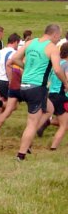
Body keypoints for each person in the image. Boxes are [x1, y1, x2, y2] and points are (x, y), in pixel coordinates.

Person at [12, 24, 68, 161]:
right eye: (58, 37)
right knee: (32, 123)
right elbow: (57, 69)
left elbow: (15, 59)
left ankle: (28, 141)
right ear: (54, 34)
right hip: (37, 88)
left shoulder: (30, 43)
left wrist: (27, 68)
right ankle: (21, 154)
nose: (58, 39)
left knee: (50, 109)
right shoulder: (52, 48)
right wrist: (66, 83)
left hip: (24, 86)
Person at [0, 33, 21, 118]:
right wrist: (11, 80)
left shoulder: (0, 51)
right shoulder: (14, 53)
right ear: (15, 42)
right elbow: (8, 65)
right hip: (6, 81)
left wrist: (1, 66)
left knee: (2, 106)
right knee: (13, 106)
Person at [49, 43, 68, 150]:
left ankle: (46, 122)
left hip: (51, 94)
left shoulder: (56, 63)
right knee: (64, 125)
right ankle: (53, 148)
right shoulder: (66, 64)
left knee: (63, 121)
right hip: (61, 96)